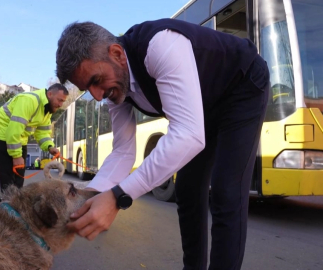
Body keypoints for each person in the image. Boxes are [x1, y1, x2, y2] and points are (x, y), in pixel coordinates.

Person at [56, 19, 270, 270]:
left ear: (116, 54)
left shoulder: (159, 45)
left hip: (242, 85)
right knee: (188, 189)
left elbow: (188, 133)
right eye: (87, 89)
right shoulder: (114, 88)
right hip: (204, 106)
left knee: (226, 191)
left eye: (95, 80)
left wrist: (117, 197)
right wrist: (92, 195)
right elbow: (123, 150)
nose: (97, 96)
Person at [0, 84, 68, 191]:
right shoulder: (29, 101)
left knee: (19, 178)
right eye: (59, 100)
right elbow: (13, 130)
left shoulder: (46, 109)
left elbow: (42, 132)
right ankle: (6, 205)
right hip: (3, 133)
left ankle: (16, 204)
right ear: (50, 94)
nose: (60, 104)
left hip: (19, 137)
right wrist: (16, 156)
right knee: (8, 177)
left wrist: (49, 146)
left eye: (63, 101)